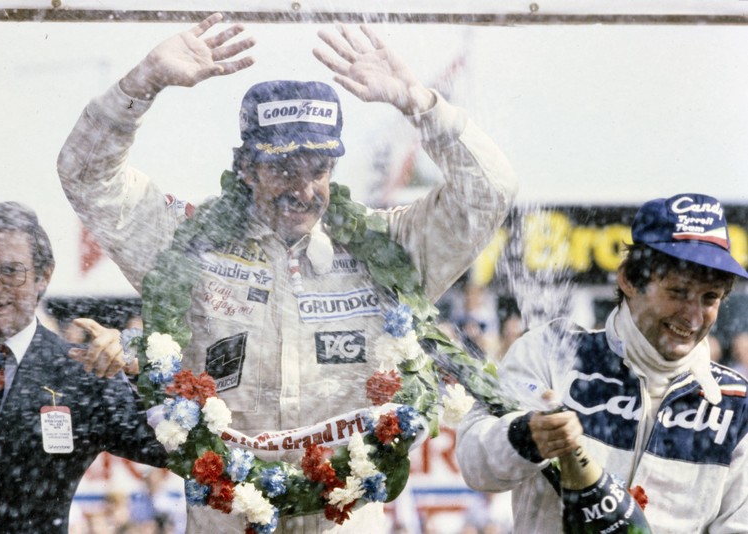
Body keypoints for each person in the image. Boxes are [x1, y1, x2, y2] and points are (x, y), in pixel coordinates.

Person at [58, 13, 516, 532]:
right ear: (246, 168)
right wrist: (143, 81)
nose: (302, 188)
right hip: (228, 518)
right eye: (282, 168)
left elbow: (490, 190)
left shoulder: (388, 249)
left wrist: (418, 100)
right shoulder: (186, 244)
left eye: (318, 169)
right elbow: (85, 175)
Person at [457, 193, 748, 531]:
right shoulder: (553, 352)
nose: (694, 316)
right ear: (628, 279)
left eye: (709, 298)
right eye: (678, 292)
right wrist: (526, 437)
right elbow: (475, 464)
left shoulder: (736, 404)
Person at [0, 201, 169, 533]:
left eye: (11, 271)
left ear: (44, 276)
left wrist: (139, 365)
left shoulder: (83, 372)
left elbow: (169, 448)